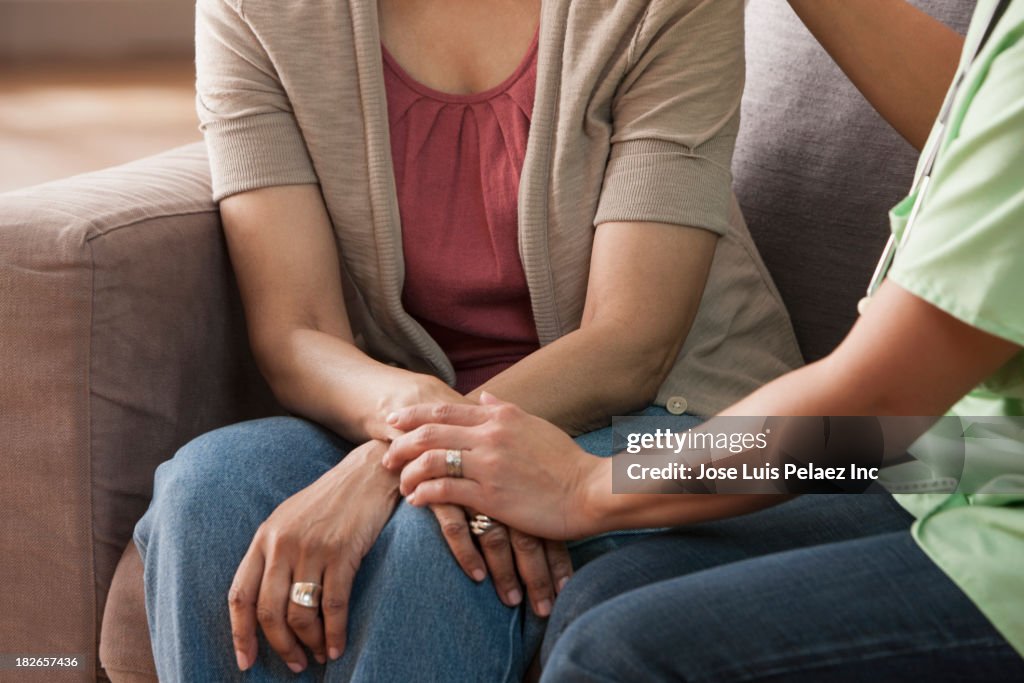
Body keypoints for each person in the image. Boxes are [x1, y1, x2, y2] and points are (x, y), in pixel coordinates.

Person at [132, 0, 802, 680]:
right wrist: (420, 419)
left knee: (443, 529)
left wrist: (399, 458)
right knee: (209, 490)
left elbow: (631, 342)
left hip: (663, 415)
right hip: (399, 405)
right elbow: (297, 330)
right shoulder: (257, 11)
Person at [384, 0, 1024, 679]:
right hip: (977, 455)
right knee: (607, 590)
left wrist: (590, 484)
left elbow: (878, 404)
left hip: (979, 494)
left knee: (616, 655)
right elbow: (983, 125)